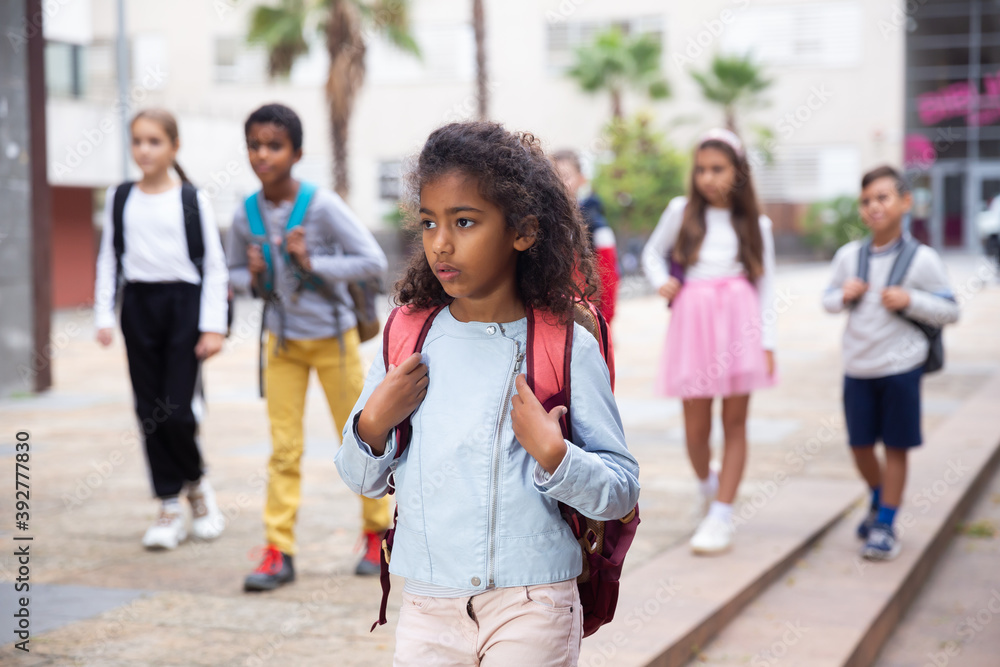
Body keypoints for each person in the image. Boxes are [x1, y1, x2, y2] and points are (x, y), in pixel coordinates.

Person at [335, 121, 640, 666]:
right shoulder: (408, 337)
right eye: (429, 223)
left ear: (523, 231)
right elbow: (359, 477)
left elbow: (621, 491)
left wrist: (557, 457)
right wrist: (372, 426)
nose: (441, 243)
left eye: (465, 221)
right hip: (428, 605)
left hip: (536, 601)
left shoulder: (565, 342)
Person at [225, 103, 391, 590]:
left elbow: (372, 260)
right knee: (284, 449)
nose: (263, 154)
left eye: (273, 145)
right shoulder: (245, 214)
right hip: (281, 344)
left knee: (364, 436)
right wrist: (251, 274)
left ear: (296, 152)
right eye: (254, 145)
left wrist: (313, 260)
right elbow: (231, 274)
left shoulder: (322, 206)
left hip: (333, 340)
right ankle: (278, 550)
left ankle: (377, 532)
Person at [94, 108, 228, 550]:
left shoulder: (192, 199)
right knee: (147, 409)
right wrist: (103, 315)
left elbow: (213, 266)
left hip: (183, 306)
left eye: (154, 141)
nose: (144, 149)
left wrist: (212, 327)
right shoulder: (119, 197)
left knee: (176, 411)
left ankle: (197, 484)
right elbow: (109, 259)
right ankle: (170, 504)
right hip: (138, 306)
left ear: (174, 146)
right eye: (137, 141)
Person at [642, 128, 777, 555]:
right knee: (696, 428)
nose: (708, 178)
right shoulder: (681, 211)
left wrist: (767, 342)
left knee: (734, 423)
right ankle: (708, 485)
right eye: (701, 169)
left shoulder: (757, 224)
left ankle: (722, 515)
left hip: (739, 323)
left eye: (718, 169)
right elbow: (651, 252)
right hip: (694, 323)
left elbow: (766, 285)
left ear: (738, 172)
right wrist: (661, 281)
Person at [822, 165, 959, 561]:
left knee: (896, 447)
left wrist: (911, 300)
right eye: (866, 201)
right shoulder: (849, 256)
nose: (873, 207)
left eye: (882, 197)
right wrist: (842, 295)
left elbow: (950, 310)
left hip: (902, 369)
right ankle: (882, 499)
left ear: (905, 202)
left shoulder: (923, 259)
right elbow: (827, 300)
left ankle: (885, 523)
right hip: (858, 368)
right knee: (860, 446)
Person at [553, 149, 620, 322]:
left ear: (582, 180)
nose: (558, 183)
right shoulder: (540, 223)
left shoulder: (597, 226)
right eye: (552, 177)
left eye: (565, 176)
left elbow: (609, 278)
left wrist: (604, 322)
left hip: (588, 317)